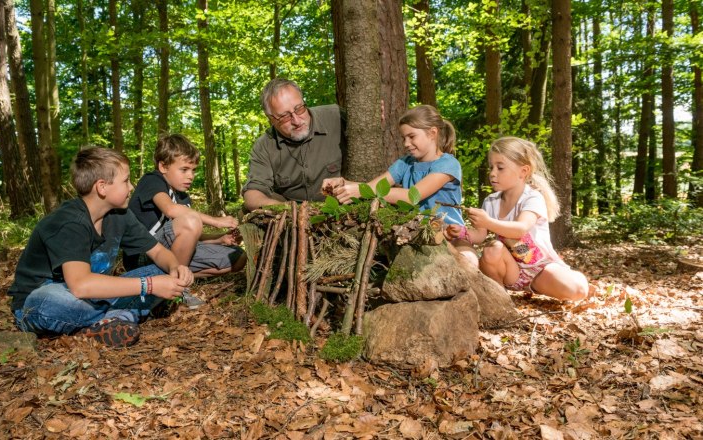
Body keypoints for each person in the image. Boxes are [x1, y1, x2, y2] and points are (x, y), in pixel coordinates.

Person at [9, 147, 194, 348]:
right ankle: (120, 315)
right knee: (48, 300)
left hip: (94, 296)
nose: (131, 187)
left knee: (162, 271)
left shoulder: (120, 215)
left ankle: (104, 323)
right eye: (126, 181)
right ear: (102, 187)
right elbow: (80, 285)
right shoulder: (69, 222)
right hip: (44, 302)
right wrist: (149, 286)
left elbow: (158, 251)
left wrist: (176, 267)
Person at [445, 136, 589, 301]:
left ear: (524, 171)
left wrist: (488, 221)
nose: (492, 173)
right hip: (509, 270)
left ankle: (562, 278)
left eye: (500, 168)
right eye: (491, 167)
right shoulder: (491, 201)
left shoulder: (533, 198)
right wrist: (460, 232)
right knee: (494, 248)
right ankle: (500, 297)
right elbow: (480, 236)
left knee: (577, 290)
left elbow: (521, 229)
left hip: (539, 269)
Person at [323, 105, 473, 258]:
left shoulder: (448, 164)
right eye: (403, 138)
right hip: (416, 234)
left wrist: (361, 190)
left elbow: (412, 196)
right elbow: (372, 187)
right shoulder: (405, 163)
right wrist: (343, 183)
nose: (406, 143)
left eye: (412, 136)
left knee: (469, 261)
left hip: (451, 234)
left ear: (432, 133)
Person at [127, 134, 246, 309]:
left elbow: (189, 237)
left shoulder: (182, 195)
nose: (190, 176)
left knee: (238, 257)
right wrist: (215, 221)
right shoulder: (152, 180)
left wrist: (220, 238)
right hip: (144, 256)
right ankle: (176, 292)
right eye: (184, 169)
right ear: (163, 166)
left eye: (193, 170)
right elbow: (170, 209)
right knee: (190, 220)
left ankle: (169, 279)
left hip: (171, 256)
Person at [242, 78, 346, 211]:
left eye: (299, 109)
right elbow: (252, 196)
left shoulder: (336, 117)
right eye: (285, 117)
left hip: (341, 209)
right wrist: (292, 210)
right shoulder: (264, 145)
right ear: (271, 119)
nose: (296, 121)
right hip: (291, 216)